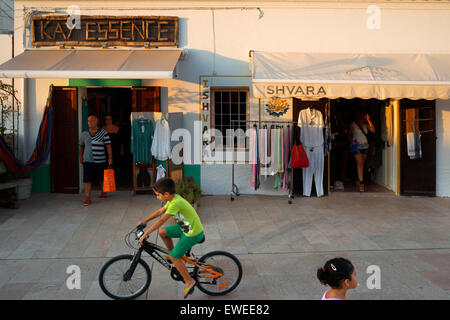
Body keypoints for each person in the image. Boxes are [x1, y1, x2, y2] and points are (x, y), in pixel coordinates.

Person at [136, 177, 205, 299]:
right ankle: (173, 255)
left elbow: (162, 220)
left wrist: (146, 233)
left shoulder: (176, 202)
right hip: (185, 227)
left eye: (158, 195)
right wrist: (145, 220)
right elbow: (160, 212)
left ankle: (189, 281)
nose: (157, 197)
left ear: (166, 194)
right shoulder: (172, 198)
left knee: (174, 256)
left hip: (192, 232)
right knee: (162, 232)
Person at [79, 114, 113, 206]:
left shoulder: (103, 133)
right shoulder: (84, 134)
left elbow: (108, 146)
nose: (90, 123)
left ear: (97, 121)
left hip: (101, 160)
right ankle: (87, 198)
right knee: (87, 179)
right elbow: (81, 146)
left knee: (102, 178)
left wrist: (110, 158)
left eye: (92, 120)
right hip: (87, 160)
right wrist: (80, 157)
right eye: (88, 121)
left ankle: (103, 192)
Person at [348, 111, 375, 192]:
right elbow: (349, 135)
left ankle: (358, 179)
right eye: (362, 116)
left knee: (362, 164)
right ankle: (361, 183)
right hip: (356, 146)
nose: (363, 118)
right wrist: (351, 140)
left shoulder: (366, 124)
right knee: (360, 164)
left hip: (365, 146)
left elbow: (373, 131)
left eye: (364, 117)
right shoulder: (353, 124)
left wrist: (369, 120)